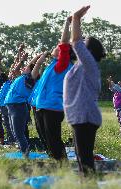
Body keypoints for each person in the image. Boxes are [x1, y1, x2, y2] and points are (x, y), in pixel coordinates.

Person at [63, 5, 106, 176]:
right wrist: (69, 23)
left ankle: (88, 184)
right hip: (79, 117)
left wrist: (76, 18)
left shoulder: (89, 65)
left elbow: (76, 43)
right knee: (82, 159)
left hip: (85, 117)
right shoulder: (80, 67)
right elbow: (65, 45)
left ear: (88, 51)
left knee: (85, 160)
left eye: (83, 45)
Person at [34, 15, 76, 161]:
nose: (56, 47)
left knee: (53, 139)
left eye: (59, 47)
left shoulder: (63, 64)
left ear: (63, 52)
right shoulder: (52, 65)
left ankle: (62, 164)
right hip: (42, 106)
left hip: (53, 106)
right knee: (46, 138)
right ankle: (54, 161)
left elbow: (64, 41)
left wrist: (67, 23)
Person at [4, 52, 46, 157]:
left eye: (27, 68)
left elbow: (37, 65)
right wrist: (35, 57)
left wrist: (43, 56)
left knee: (19, 134)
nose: (24, 68)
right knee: (15, 133)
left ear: (31, 71)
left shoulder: (30, 79)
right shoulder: (23, 77)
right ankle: (24, 152)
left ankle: (26, 155)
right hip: (12, 107)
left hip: (19, 107)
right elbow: (27, 66)